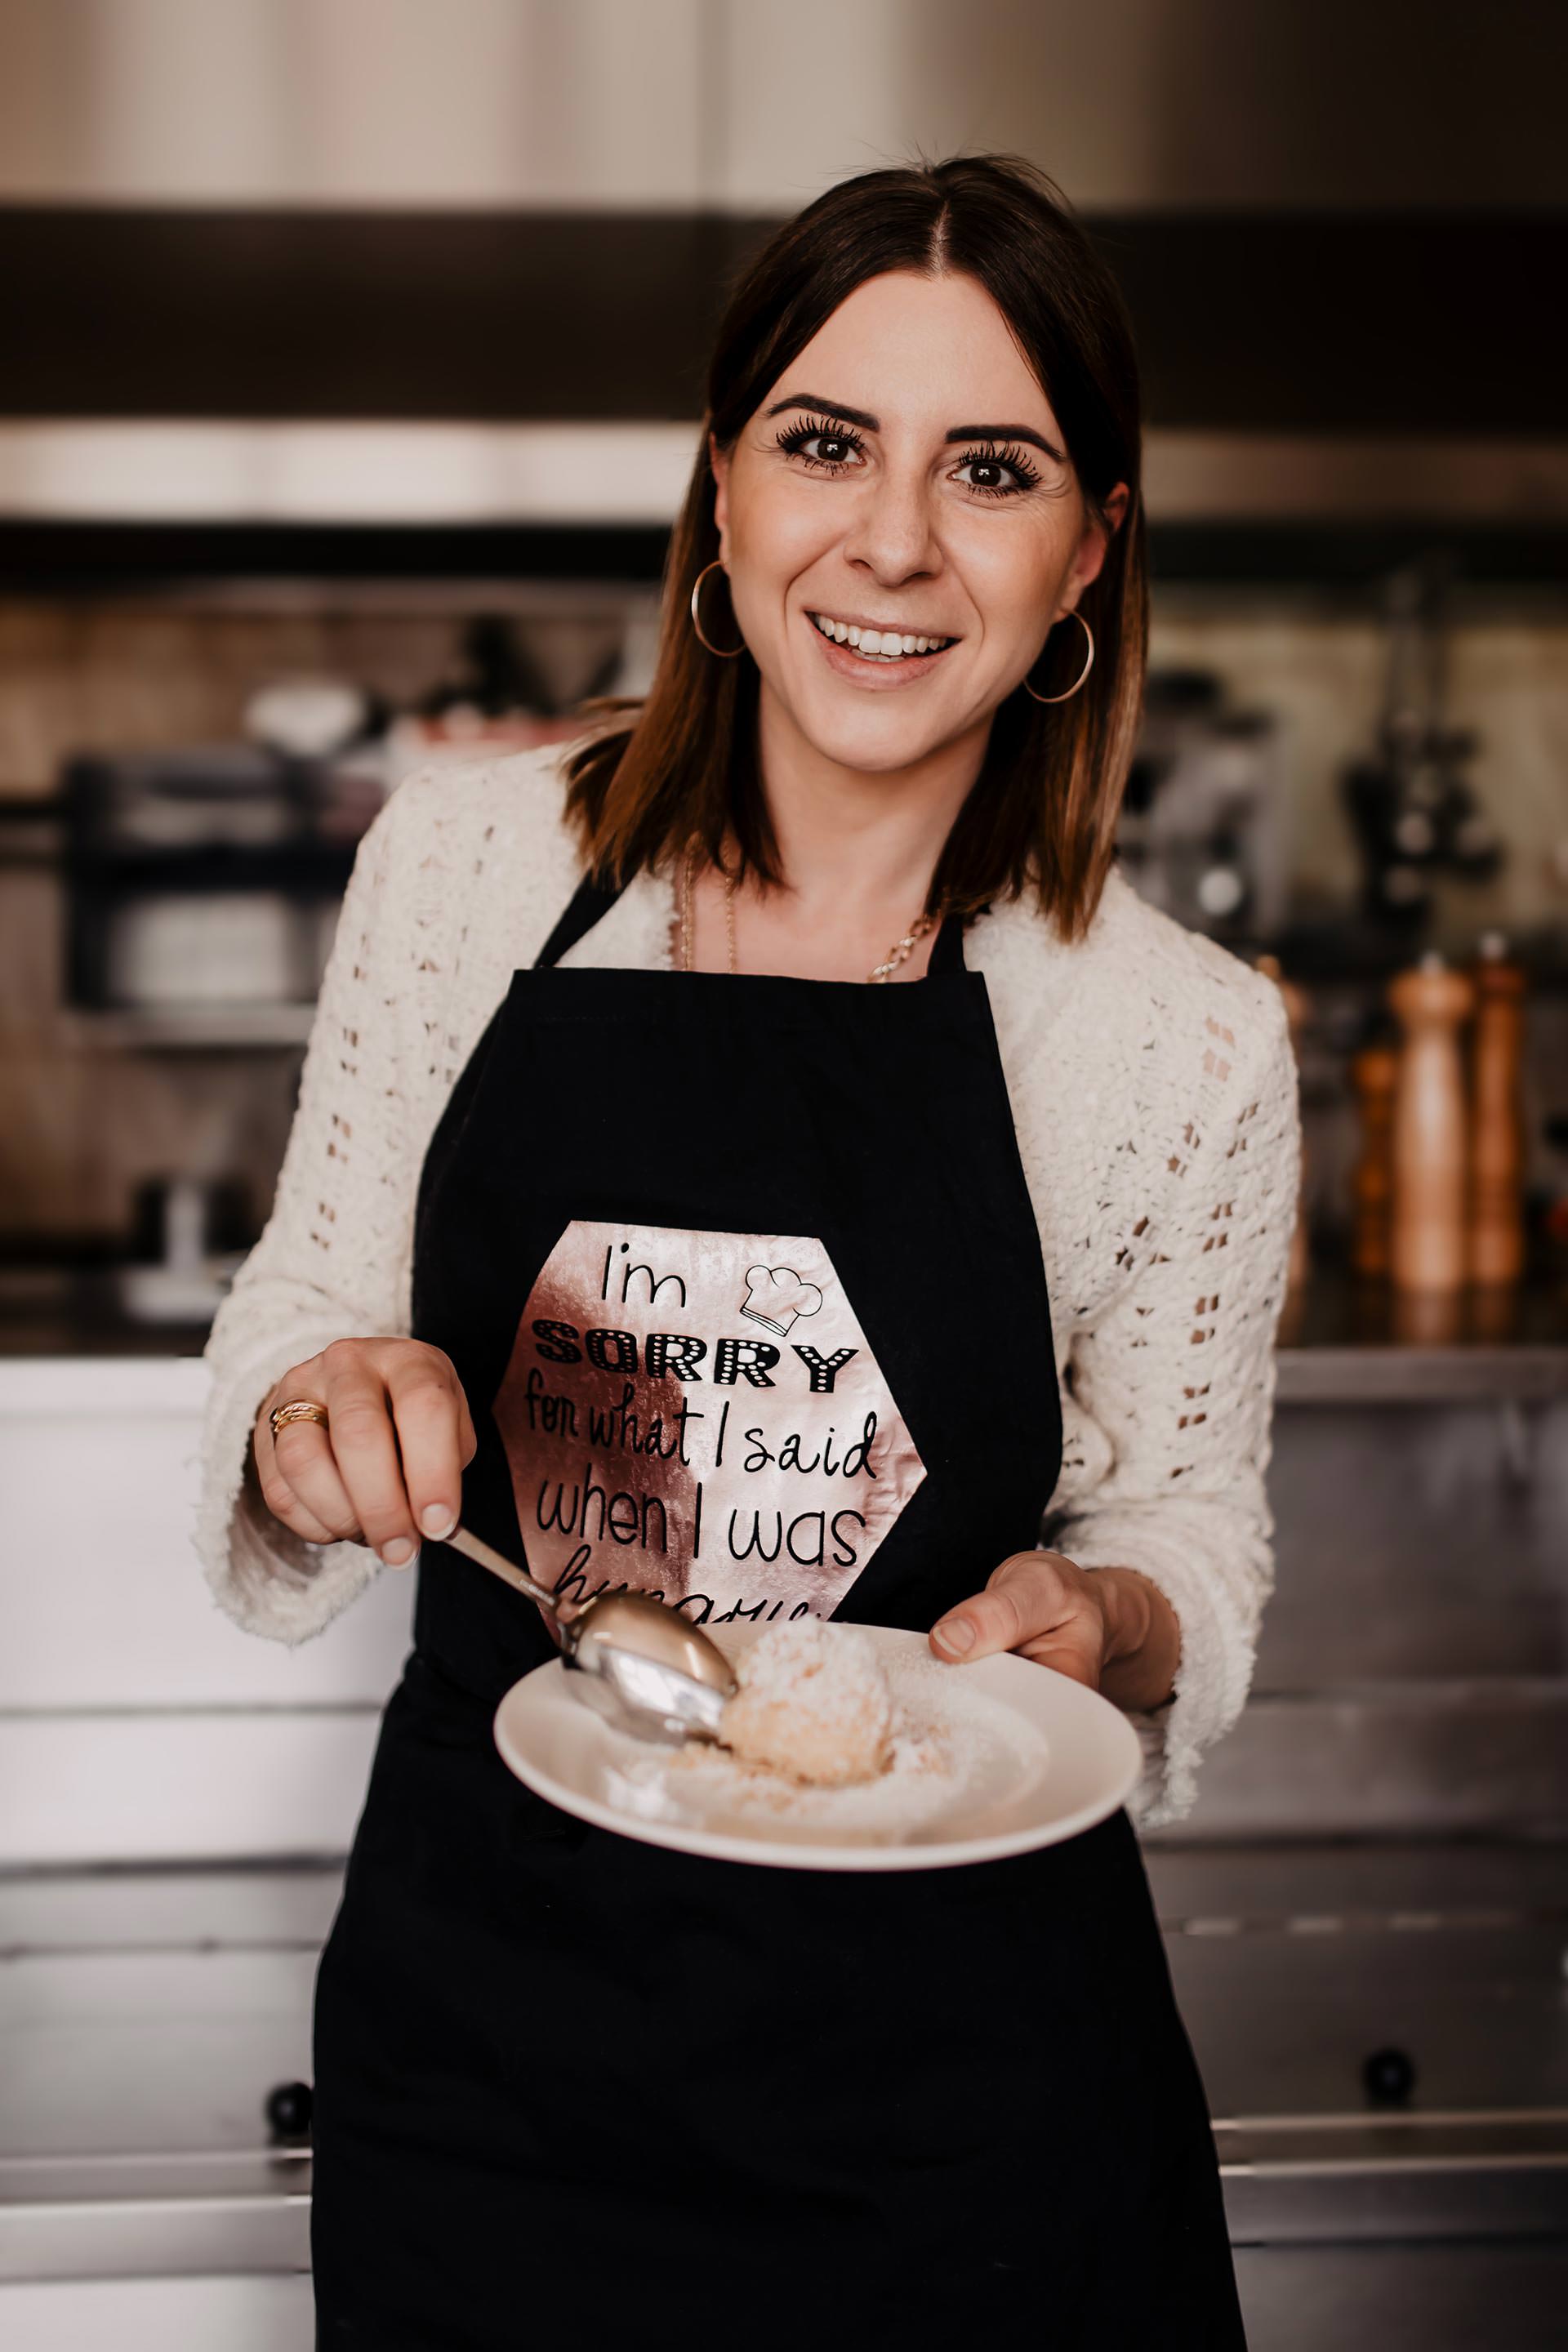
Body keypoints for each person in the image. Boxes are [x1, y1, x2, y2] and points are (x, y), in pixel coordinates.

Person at [198, 154, 1298, 2348]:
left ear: (1087, 556)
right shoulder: (464, 872)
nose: (890, 542)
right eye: (824, 443)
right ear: (720, 495)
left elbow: (1193, 1528)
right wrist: (319, 1407)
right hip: (496, 2065)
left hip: (969, 2122)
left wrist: (1123, 1613)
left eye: (988, 469)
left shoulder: (1178, 1036)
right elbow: (299, 1314)